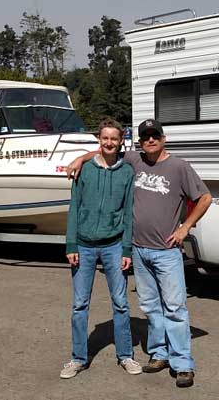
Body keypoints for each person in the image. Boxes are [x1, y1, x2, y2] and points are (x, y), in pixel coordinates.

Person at [67, 118, 212, 388]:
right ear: (140, 142)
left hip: (167, 251)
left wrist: (185, 228)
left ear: (163, 138)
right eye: (145, 137)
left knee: (175, 308)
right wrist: (79, 158)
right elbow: (106, 150)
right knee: (150, 306)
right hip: (139, 250)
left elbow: (205, 198)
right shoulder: (135, 160)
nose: (150, 140)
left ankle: (182, 364)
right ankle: (159, 354)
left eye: (155, 136)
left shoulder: (179, 167)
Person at [60, 119, 142, 379]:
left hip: (114, 246)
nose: (109, 143)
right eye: (105, 138)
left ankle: (126, 355)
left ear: (120, 142)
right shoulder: (84, 170)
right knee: (79, 304)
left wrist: (127, 250)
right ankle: (78, 358)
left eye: (114, 139)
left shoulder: (127, 173)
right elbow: (74, 208)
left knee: (120, 303)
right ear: (99, 140)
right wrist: (71, 243)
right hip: (83, 246)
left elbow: (128, 214)